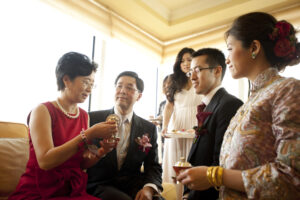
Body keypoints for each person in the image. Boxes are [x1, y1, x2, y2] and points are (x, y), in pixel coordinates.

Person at [177, 12, 300, 200]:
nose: (226, 60)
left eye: (230, 48)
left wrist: (214, 176)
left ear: (254, 47)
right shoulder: (251, 100)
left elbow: (292, 177)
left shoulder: (288, 90)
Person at [9, 52, 118, 199]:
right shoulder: (42, 111)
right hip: (40, 191)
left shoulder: (84, 116)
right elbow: (45, 161)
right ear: (66, 79)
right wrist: (88, 134)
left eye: (92, 84)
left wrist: (101, 152)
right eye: (86, 82)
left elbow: (81, 164)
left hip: (71, 190)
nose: (90, 90)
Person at [87, 71, 163, 200]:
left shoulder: (148, 128)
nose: (122, 91)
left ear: (139, 96)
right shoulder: (92, 118)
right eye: (119, 86)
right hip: (99, 184)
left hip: (132, 186)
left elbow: (153, 166)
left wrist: (148, 188)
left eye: (129, 88)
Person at [183, 48, 243, 200]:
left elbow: (221, 163)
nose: (192, 77)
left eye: (197, 70)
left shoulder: (229, 105)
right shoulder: (209, 105)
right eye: (190, 72)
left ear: (217, 71)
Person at [162, 47, 203, 183]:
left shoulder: (201, 78)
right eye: (182, 61)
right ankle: (173, 193)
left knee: (193, 158)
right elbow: (169, 106)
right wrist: (165, 126)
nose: (185, 63)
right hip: (177, 124)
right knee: (176, 159)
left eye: (189, 60)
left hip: (195, 123)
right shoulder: (172, 80)